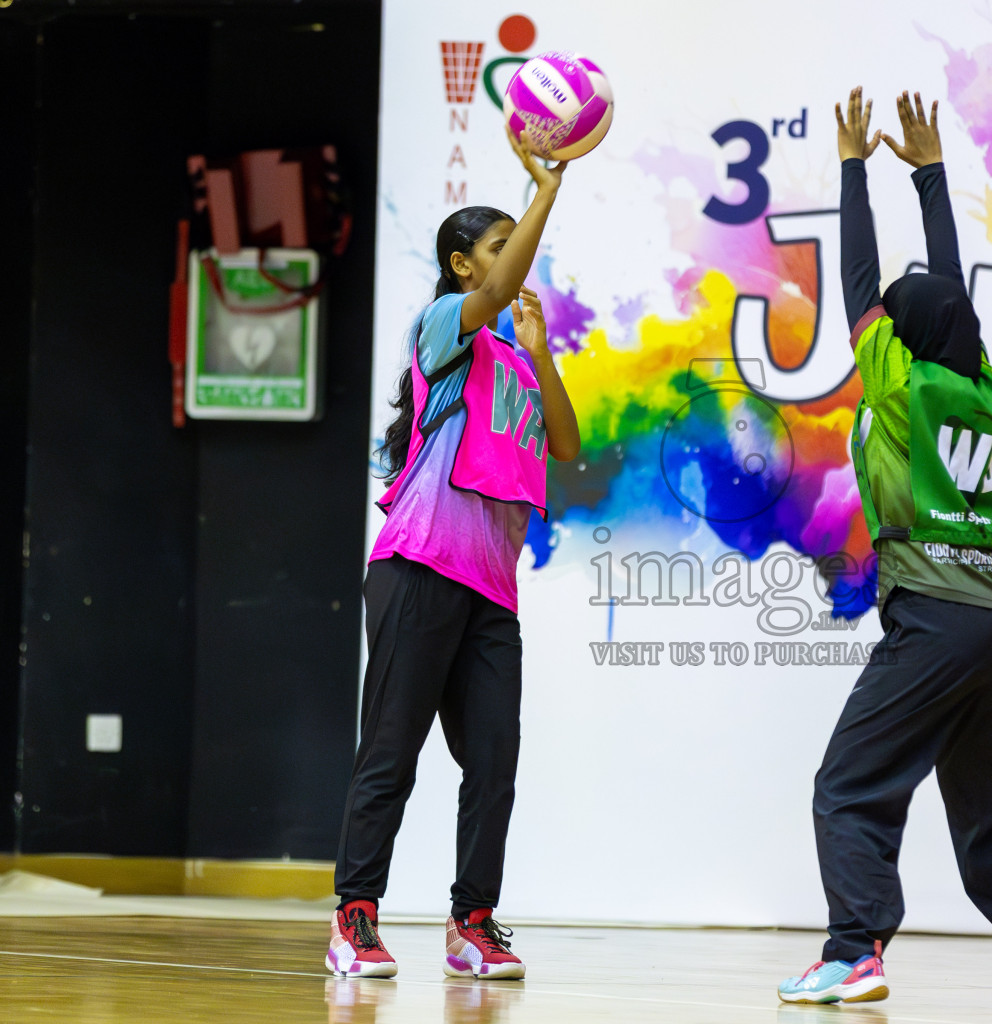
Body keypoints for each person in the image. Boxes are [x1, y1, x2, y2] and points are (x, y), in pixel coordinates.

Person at [777, 87, 992, 1007]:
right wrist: (930, 177)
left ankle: (853, 952)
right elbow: (949, 294)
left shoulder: (899, 385)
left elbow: (859, 284)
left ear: (900, 336)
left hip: (939, 623)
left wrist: (850, 167)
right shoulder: (984, 386)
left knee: (847, 788)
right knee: (981, 801)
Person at [325, 126, 581, 981]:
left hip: (492, 593)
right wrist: (547, 190)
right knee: (390, 754)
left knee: (494, 763)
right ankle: (354, 916)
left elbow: (566, 444)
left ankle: (471, 923)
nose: (511, 262)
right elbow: (501, 286)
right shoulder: (442, 328)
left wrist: (542, 355)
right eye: (498, 247)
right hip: (419, 567)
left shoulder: (513, 357)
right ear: (463, 266)